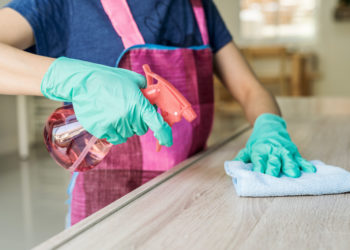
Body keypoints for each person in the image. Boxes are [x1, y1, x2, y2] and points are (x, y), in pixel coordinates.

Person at [0, 0, 316, 226]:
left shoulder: (198, 7)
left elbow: (250, 90)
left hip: (195, 197)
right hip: (108, 209)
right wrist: (73, 79)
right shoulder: (64, 5)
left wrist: (270, 127)